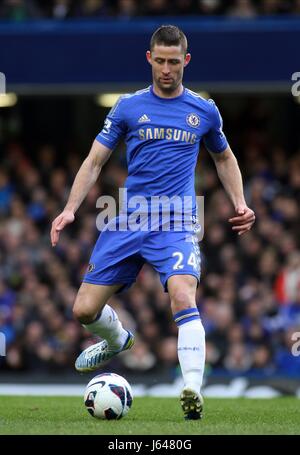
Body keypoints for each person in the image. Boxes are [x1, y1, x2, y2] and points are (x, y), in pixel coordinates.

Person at [50, 25, 255, 420]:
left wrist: (241, 202)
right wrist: (70, 208)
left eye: (173, 62)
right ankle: (118, 339)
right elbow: (95, 161)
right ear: (149, 58)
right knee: (83, 311)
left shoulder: (203, 110)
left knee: (183, 295)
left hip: (177, 222)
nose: (166, 69)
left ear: (186, 61)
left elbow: (224, 158)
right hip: (127, 220)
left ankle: (192, 386)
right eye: (159, 60)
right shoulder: (127, 107)